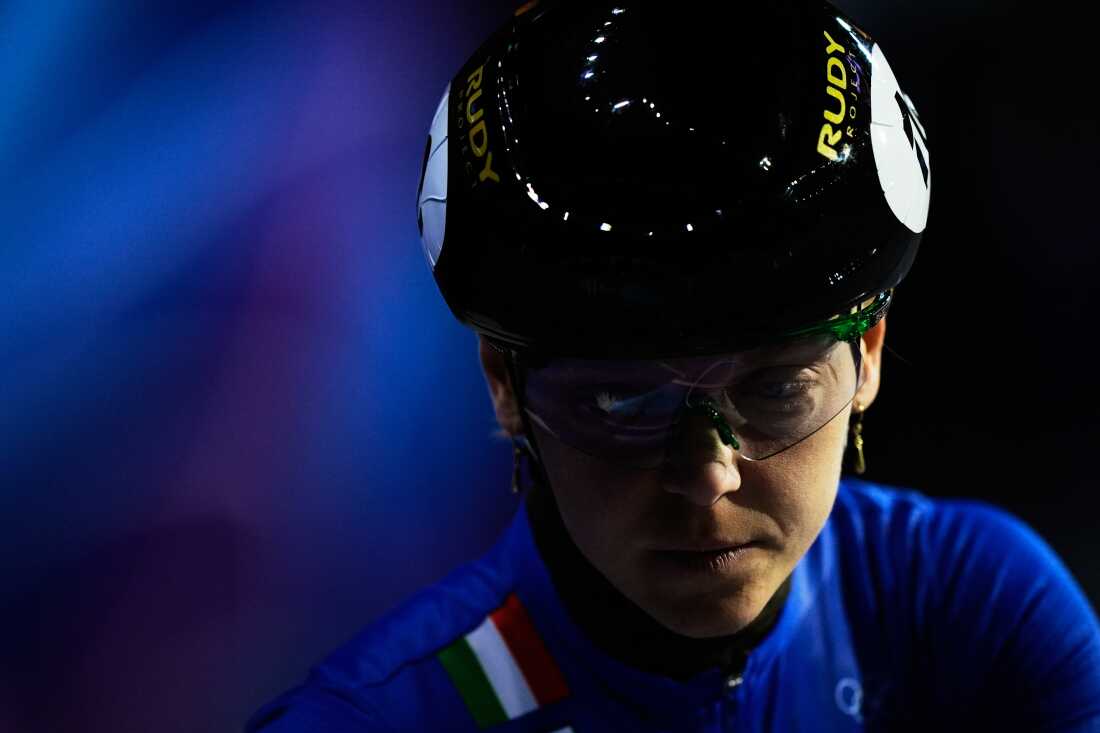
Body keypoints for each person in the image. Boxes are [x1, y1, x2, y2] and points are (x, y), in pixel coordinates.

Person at [246, 0, 1100, 730]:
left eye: (774, 387)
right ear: (501, 383)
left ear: (869, 351)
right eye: (622, 400)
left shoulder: (976, 610)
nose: (707, 477)